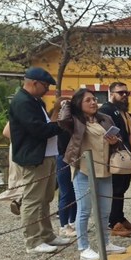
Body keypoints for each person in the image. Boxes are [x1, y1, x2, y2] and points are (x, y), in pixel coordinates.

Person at [59, 88, 128, 260]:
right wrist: (68, 103)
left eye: (94, 99)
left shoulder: (105, 118)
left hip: (104, 169)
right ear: (79, 104)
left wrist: (114, 142)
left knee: (105, 210)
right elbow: (62, 120)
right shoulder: (74, 121)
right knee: (84, 211)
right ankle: (84, 247)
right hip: (83, 169)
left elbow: (118, 140)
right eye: (88, 100)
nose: (93, 102)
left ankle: (105, 243)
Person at [8, 67, 72, 254]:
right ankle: (33, 240)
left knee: (45, 198)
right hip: (34, 157)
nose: (47, 89)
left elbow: (44, 125)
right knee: (32, 200)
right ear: (33, 83)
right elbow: (38, 130)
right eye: (45, 85)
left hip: (47, 155)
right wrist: (62, 125)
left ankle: (47, 234)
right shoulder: (22, 102)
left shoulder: (36, 102)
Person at [99, 81, 131, 236]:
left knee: (122, 188)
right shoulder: (106, 110)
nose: (124, 96)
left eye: (126, 93)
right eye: (120, 93)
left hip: (126, 154)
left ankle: (120, 217)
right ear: (111, 94)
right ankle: (113, 221)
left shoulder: (122, 111)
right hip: (115, 156)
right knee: (115, 189)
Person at [51, 97, 76, 237]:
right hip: (63, 158)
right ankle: (63, 225)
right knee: (66, 192)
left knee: (74, 192)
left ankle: (73, 222)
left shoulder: (73, 123)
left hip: (73, 157)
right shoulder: (57, 124)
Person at [0, 122, 24, 215]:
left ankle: (18, 200)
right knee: (25, 178)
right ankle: (19, 200)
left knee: (20, 178)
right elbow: (6, 132)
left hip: (18, 148)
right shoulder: (22, 112)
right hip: (22, 149)